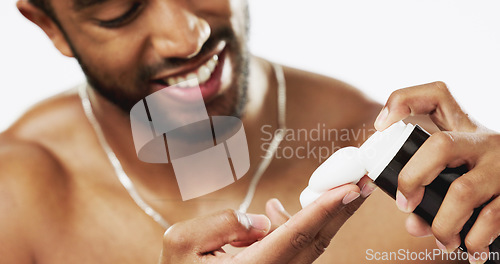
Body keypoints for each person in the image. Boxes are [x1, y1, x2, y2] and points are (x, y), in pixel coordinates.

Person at [1, 0, 498, 263]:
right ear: (49, 23)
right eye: (120, 10)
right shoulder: (15, 203)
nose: (187, 36)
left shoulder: (416, 173)